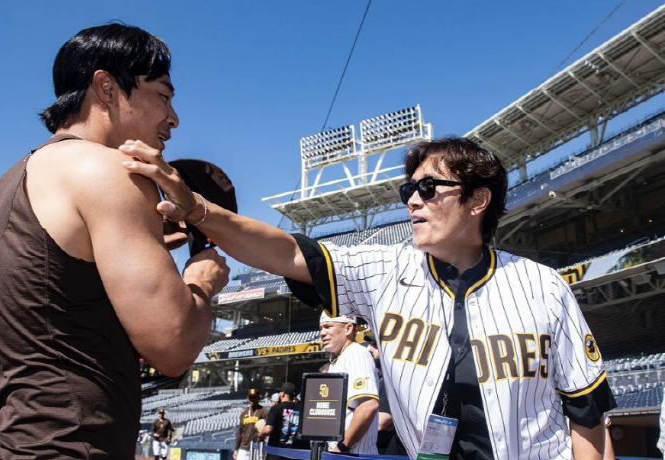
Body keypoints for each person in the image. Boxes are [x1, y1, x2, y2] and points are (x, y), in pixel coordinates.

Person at [123, 137, 616, 459]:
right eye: (409, 189)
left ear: (478, 199)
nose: (412, 200)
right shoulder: (384, 269)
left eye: (429, 188)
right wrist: (199, 210)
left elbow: (588, 417)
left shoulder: (542, 286)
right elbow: (285, 251)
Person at [0, 24, 229, 459]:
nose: (174, 117)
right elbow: (174, 345)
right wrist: (200, 280)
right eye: (163, 95)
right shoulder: (110, 170)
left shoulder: (8, 183)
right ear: (106, 88)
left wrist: (143, 245)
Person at [318, 312, 379, 455]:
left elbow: (368, 405)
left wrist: (343, 446)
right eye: (321, 328)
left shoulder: (355, 353)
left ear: (348, 328)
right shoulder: (339, 358)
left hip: (354, 454)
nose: (322, 333)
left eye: (328, 326)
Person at [365, 336, 407, 457]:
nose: (369, 349)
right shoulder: (377, 380)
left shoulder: (394, 382)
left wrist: (359, 418)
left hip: (392, 454)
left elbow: (381, 422)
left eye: (375, 345)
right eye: (370, 345)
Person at [259, 382, 307, 460]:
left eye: (280, 392)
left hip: (277, 455)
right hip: (295, 455)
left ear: (283, 394)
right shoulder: (301, 411)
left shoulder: (276, 409)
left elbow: (268, 429)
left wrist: (260, 435)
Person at [234, 388, 269, 460]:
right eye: (250, 397)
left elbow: (267, 429)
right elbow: (240, 432)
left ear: (258, 398)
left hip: (257, 447)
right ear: (247, 398)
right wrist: (236, 449)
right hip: (243, 448)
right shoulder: (244, 413)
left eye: (254, 397)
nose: (252, 399)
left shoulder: (263, 411)